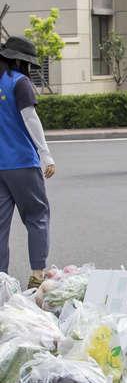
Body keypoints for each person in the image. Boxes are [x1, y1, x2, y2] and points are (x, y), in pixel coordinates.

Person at [0, 36, 55, 288]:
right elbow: (30, 119)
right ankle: (37, 275)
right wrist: (46, 154)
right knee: (37, 216)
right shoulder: (19, 83)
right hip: (21, 161)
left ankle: (2, 282)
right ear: (22, 62)